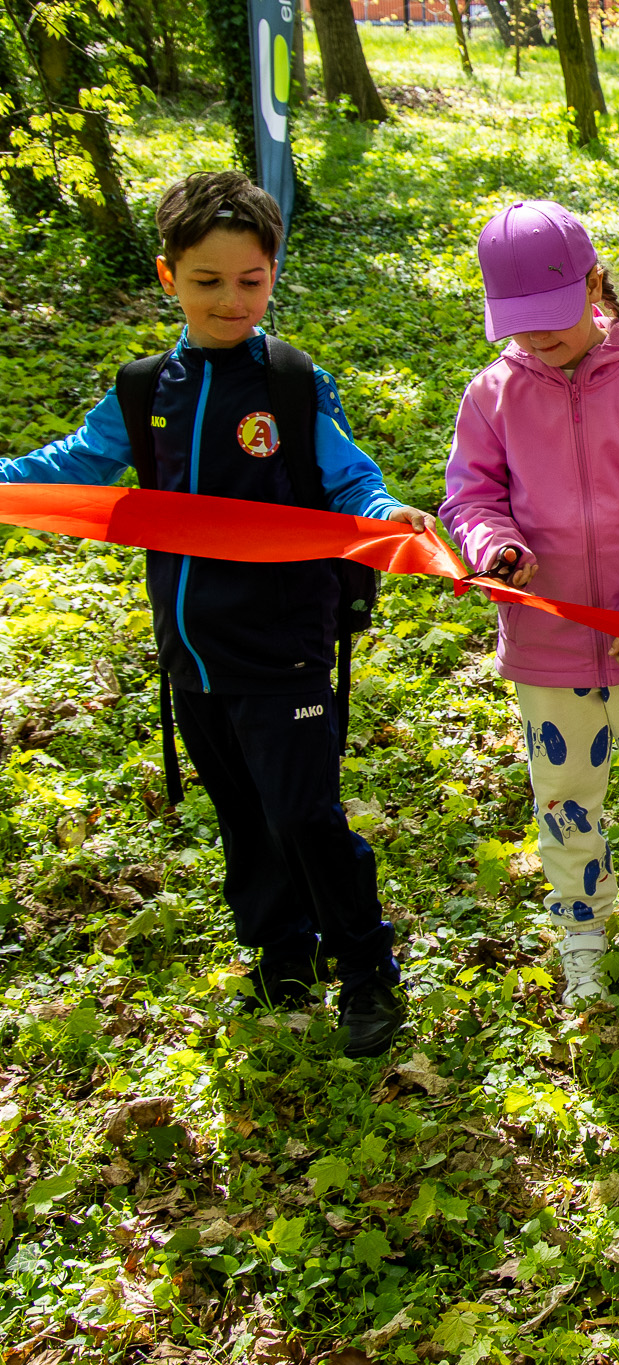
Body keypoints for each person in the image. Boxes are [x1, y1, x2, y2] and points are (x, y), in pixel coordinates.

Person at [0, 171, 426, 1056]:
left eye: (250, 281)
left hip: (284, 648)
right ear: (169, 277)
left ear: (272, 275)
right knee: (243, 810)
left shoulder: (293, 383)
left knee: (304, 813)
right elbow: (76, 463)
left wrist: (385, 515)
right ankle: (282, 956)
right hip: (192, 653)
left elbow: (351, 477)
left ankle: (366, 969)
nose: (231, 300)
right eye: (207, 281)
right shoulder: (143, 389)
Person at [441, 200, 619, 1009]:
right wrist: (494, 547)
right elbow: (470, 496)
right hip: (548, 647)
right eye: (519, 323)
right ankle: (581, 924)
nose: (538, 336)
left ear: (595, 285)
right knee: (564, 792)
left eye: (551, 315)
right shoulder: (491, 395)